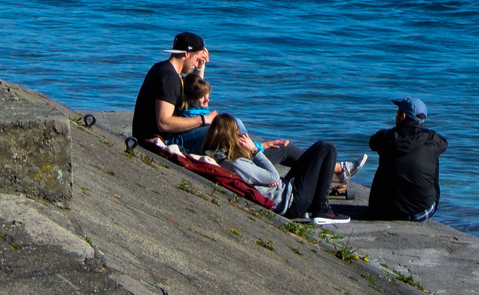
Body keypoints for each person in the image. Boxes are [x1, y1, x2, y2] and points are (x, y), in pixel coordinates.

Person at [203, 115, 348, 224]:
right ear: (232, 138)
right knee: (326, 148)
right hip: (291, 201)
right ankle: (322, 209)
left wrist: (265, 179)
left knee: (314, 152)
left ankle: (318, 205)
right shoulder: (235, 163)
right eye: (239, 134)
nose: (243, 136)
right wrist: (255, 150)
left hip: (284, 191)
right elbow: (273, 177)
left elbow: (263, 177)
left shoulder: (221, 159)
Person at [133, 32, 219, 154]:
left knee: (231, 125)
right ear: (186, 53)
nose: (196, 64)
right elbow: (164, 122)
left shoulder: (164, 69)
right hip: (159, 139)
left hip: (154, 136)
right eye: (197, 60)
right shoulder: (169, 78)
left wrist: (200, 67)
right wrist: (203, 119)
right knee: (221, 130)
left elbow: (193, 93)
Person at [366, 96, 447, 222]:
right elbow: (444, 143)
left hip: (383, 210)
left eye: (397, 113)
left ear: (403, 116)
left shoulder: (387, 137)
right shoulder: (433, 140)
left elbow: (372, 142)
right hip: (421, 211)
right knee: (430, 156)